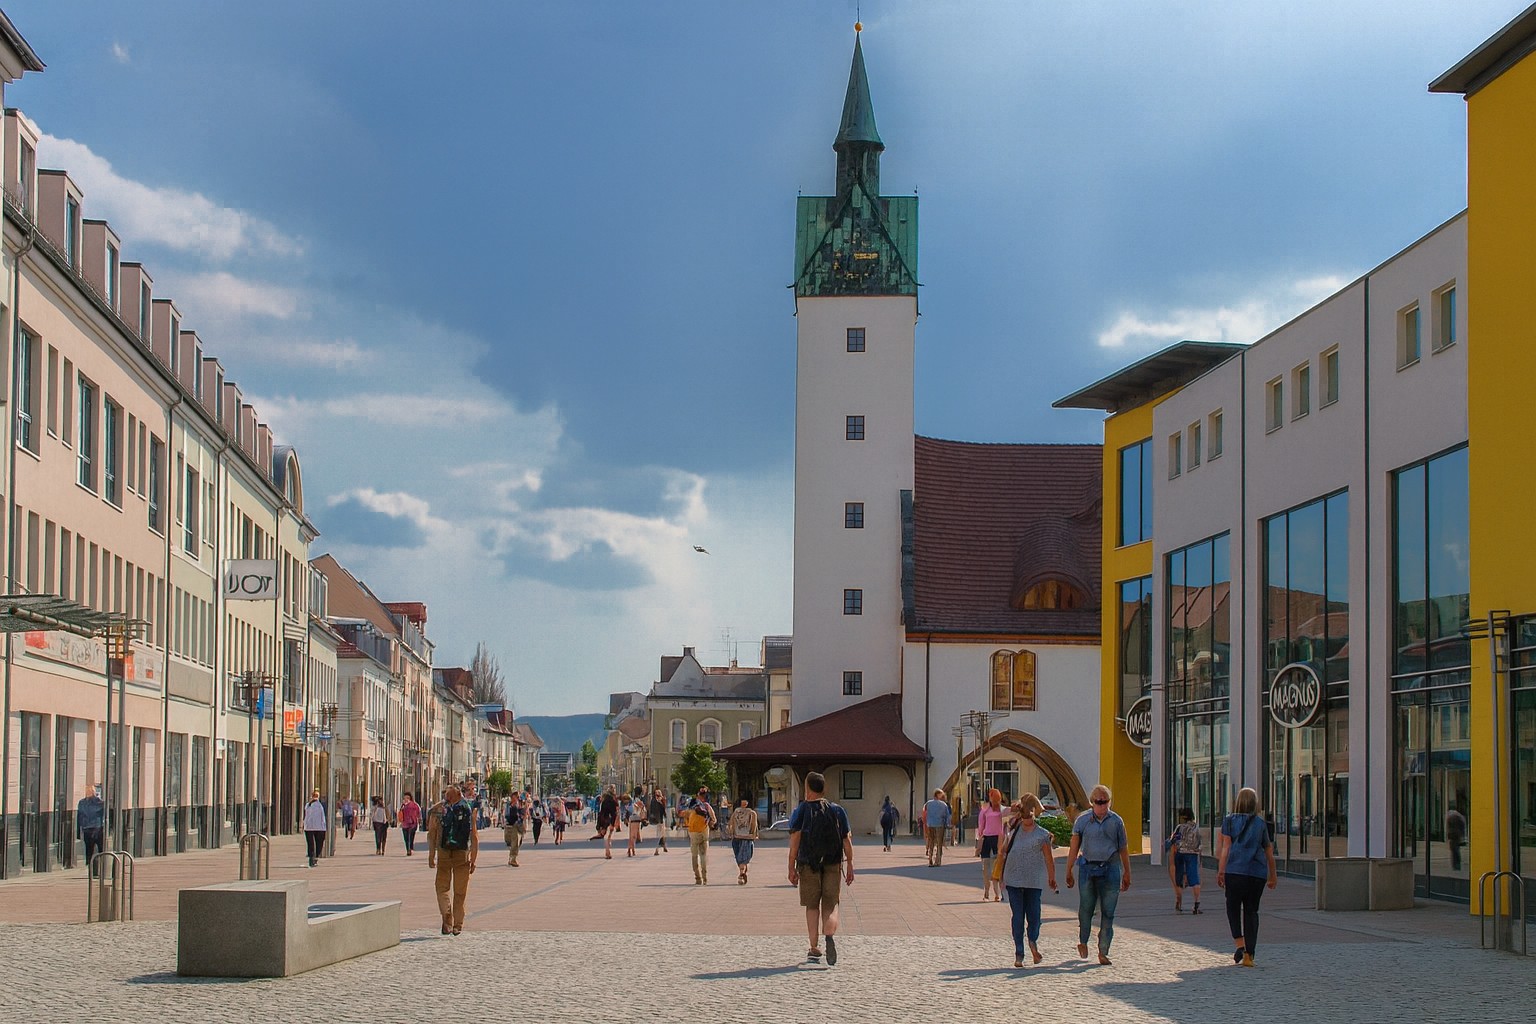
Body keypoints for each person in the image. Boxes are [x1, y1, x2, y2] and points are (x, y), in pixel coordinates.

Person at [788, 772, 853, 966]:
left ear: (807, 789)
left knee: (812, 905)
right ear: (824, 789)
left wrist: (791, 866)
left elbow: (795, 840)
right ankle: (829, 934)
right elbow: (846, 840)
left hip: (808, 864)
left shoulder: (801, 810)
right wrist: (850, 863)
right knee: (831, 904)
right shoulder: (837, 810)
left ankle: (814, 948)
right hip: (833, 863)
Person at [1065, 784, 1131, 966]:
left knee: (1108, 912)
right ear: (1092, 802)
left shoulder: (1116, 822)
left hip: (1110, 868)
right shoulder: (1083, 820)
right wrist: (1069, 869)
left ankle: (1103, 950)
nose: (1102, 806)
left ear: (1110, 802)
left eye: (1105, 802)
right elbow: (1074, 846)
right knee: (1086, 908)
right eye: (1098, 802)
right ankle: (1083, 940)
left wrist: (1127, 873)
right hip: (1088, 869)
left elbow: (1123, 849)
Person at [1217, 787, 1278, 967]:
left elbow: (1226, 848)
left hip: (1235, 871)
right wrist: (1272, 875)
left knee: (1233, 908)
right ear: (1255, 804)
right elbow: (1269, 851)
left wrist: (1221, 871)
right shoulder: (1260, 824)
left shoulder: (1229, 821)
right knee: (1251, 911)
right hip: (1256, 874)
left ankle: (1239, 944)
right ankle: (1249, 954)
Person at [1000, 794, 1058, 967]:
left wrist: (1052, 877)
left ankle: (1029, 944)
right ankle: (1021, 950)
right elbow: (1003, 851)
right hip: (1016, 881)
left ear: (1033, 814)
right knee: (1022, 916)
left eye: (1029, 816)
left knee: (1030, 916)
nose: (1027, 820)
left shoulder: (1041, 835)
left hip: (1031, 881)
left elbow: (1049, 858)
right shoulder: (1015, 831)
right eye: (1024, 816)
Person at [429, 784, 478, 935]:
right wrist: (473, 859)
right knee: (460, 892)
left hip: (444, 854)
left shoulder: (438, 809)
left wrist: (432, 854)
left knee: (441, 888)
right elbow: (474, 836)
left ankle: (446, 915)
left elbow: (432, 833)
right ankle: (458, 924)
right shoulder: (468, 809)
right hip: (462, 855)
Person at [1167, 807, 1203, 913]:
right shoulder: (1196, 827)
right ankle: (1196, 903)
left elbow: (1173, 840)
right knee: (1195, 878)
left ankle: (1179, 901)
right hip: (1193, 854)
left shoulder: (1179, 827)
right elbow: (1199, 842)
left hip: (1180, 853)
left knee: (1179, 878)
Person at [976, 788, 1006, 901]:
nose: (995, 801)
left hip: (998, 839)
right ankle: (986, 892)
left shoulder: (1002, 810)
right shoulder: (985, 810)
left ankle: (998, 893)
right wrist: (980, 838)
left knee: (997, 867)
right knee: (985, 867)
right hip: (987, 838)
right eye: (993, 798)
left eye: (997, 799)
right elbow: (981, 825)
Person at [687, 787, 718, 884]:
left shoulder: (691, 805)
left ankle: (698, 878)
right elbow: (714, 819)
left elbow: (686, 817)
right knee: (703, 855)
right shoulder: (707, 806)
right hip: (704, 832)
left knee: (694, 855)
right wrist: (711, 823)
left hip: (693, 833)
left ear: (698, 795)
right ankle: (705, 877)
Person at [728, 792, 760, 884]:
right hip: (745, 838)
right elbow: (754, 826)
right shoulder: (751, 813)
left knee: (740, 857)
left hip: (740, 838)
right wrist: (754, 835)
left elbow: (731, 824)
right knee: (743, 858)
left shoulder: (737, 812)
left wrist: (732, 833)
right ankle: (742, 873)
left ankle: (741, 874)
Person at [77, 786, 105, 874]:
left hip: (87, 829)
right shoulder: (99, 802)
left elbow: (79, 816)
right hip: (97, 828)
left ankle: (91, 869)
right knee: (101, 850)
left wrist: (79, 830)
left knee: (89, 850)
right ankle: (100, 869)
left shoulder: (82, 803)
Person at [923, 789, 952, 866]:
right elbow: (947, 816)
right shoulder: (943, 805)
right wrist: (947, 824)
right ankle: (937, 860)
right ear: (938, 795)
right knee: (939, 843)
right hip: (940, 824)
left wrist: (926, 824)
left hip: (930, 824)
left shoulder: (928, 804)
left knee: (931, 841)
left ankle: (930, 859)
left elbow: (925, 814)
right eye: (941, 795)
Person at [302, 789, 328, 867]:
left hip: (314, 827)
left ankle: (313, 857)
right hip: (315, 827)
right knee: (315, 843)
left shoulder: (311, 805)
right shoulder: (310, 805)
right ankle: (313, 858)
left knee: (314, 843)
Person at [503, 793, 526, 866]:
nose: (517, 798)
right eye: (516, 797)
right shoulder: (509, 805)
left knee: (515, 843)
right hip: (510, 825)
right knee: (510, 842)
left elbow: (522, 815)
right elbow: (506, 815)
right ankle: (512, 858)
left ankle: (513, 859)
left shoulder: (518, 805)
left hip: (515, 825)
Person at [399, 792, 422, 856]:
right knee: (408, 838)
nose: (405, 799)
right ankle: (409, 849)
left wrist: (419, 820)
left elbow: (418, 813)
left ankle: (409, 849)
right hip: (407, 824)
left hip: (411, 824)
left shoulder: (414, 805)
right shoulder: (404, 805)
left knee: (409, 837)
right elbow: (400, 813)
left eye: (407, 798)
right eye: (404, 798)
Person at [648, 788, 670, 855]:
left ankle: (664, 847)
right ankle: (656, 849)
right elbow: (663, 810)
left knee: (662, 833)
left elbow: (651, 810)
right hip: (660, 820)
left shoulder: (653, 800)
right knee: (660, 834)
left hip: (656, 819)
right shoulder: (659, 801)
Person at [1446, 804, 1467, 871]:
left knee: (1454, 851)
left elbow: (1449, 827)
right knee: (1456, 850)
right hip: (1457, 835)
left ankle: (1455, 865)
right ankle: (1457, 865)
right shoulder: (1459, 816)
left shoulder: (1450, 816)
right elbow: (1463, 826)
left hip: (1453, 835)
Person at [627, 790, 647, 857]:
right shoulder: (638, 801)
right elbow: (641, 810)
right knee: (634, 836)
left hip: (632, 819)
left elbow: (629, 809)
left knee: (631, 836)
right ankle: (631, 850)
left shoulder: (633, 801)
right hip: (636, 819)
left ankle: (630, 850)